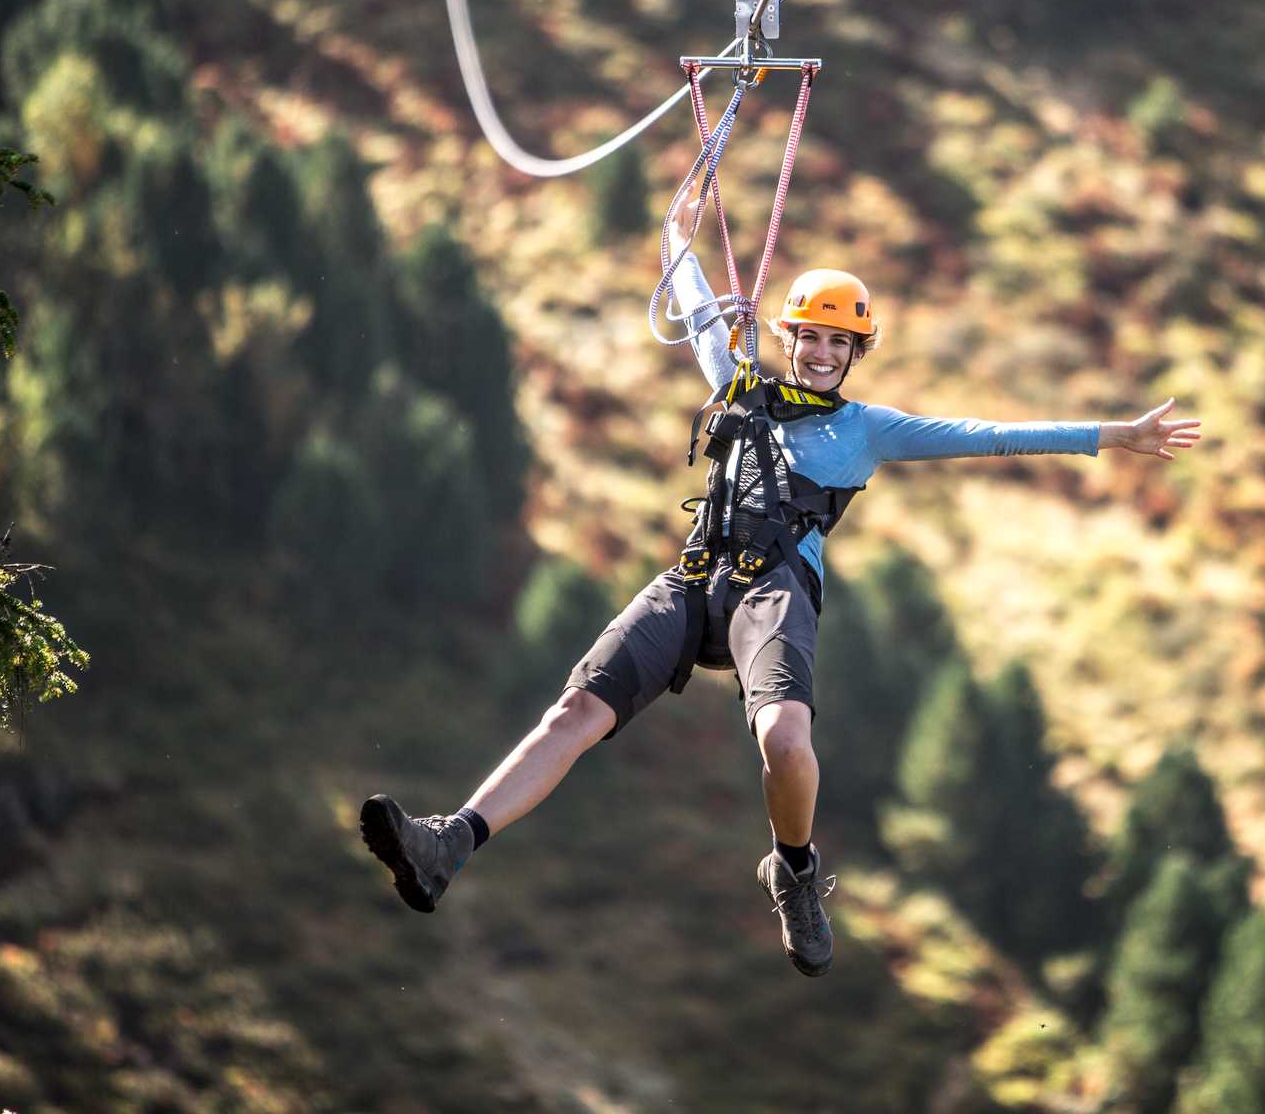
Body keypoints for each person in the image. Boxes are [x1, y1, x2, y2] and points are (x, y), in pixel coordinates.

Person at [360, 197, 1201, 977]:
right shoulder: (738, 382)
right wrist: (678, 229)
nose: (822, 353)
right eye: (810, 338)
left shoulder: (869, 430)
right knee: (574, 712)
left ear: (856, 353)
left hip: (775, 592)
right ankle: (448, 845)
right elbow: (691, 299)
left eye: (839, 343)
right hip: (696, 578)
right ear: (788, 337)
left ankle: (794, 871)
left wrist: (1114, 434)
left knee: (786, 744)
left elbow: (990, 436)